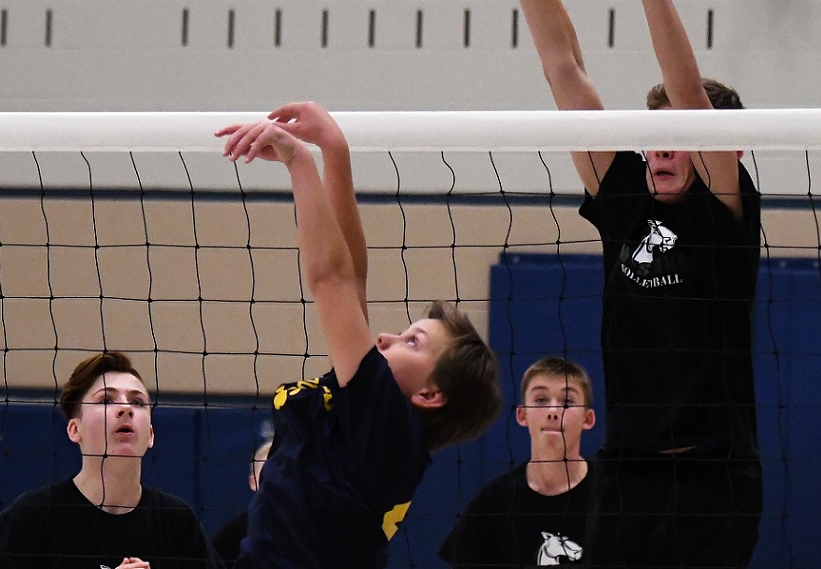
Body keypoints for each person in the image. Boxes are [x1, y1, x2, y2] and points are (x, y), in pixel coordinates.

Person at [467, 0, 763, 569]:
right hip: (626, 470)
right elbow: (563, 66)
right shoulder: (625, 195)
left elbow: (689, 98)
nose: (659, 147)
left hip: (712, 475)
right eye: (650, 135)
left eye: (677, 138)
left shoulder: (724, 209)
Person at [216, 102, 503, 569]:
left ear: (430, 394)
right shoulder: (374, 424)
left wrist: (299, 161)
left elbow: (332, 279)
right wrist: (334, 151)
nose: (387, 337)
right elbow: (353, 275)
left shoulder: (388, 425)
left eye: (414, 342)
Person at [0, 351, 223, 569]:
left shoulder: (177, 522)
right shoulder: (29, 519)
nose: (125, 409)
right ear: (75, 430)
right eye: (106, 400)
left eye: (137, 402)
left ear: (150, 434)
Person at [440, 357, 596, 568]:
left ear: (588, 419)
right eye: (541, 400)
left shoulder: (613, 494)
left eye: (567, 402)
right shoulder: (491, 504)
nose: (553, 411)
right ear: (522, 415)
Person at [209, 438, 272, 566]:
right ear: (253, 482)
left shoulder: (312, 526)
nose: (276, 481)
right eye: (267, 473)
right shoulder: (232, 535)